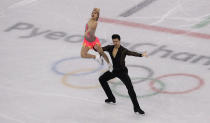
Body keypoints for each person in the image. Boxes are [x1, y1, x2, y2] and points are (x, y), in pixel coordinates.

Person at [99, 34, 148, 115]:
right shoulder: (110, 47)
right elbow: (100, 49)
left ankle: (137, 108)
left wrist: (141, 55)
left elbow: (132, 53)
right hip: (114, 71)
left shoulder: (123, 50)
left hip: (122, 72)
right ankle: (111, 98)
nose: (115, 43)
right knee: (102, 79)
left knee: (130, 89)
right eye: (114, 41)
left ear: (119, 41)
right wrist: (94, 47)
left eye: (117, 41)